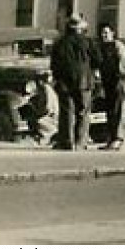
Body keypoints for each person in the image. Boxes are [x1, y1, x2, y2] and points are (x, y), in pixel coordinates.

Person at [49, 15, 99, 150]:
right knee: (83, 112)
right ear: (81, 27)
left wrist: (56, 79)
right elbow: (97, 60)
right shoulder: (88, 42)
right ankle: (81, 142)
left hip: (65, 82)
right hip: (85, 82)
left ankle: (67, 142)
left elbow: (54, 64)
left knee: (67, 112)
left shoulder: (60, 43)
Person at [95, 22, 125, 150]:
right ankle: (110, 138)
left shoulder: (118, 46)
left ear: (112, 33)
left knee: (118, 110)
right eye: (102, 33)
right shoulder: (101, 47)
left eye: (106, 33)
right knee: (110, 111)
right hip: (109, 82)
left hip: (120, 80)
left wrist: (119, 76)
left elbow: (124, 65)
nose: (104, 35)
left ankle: (118, 138)